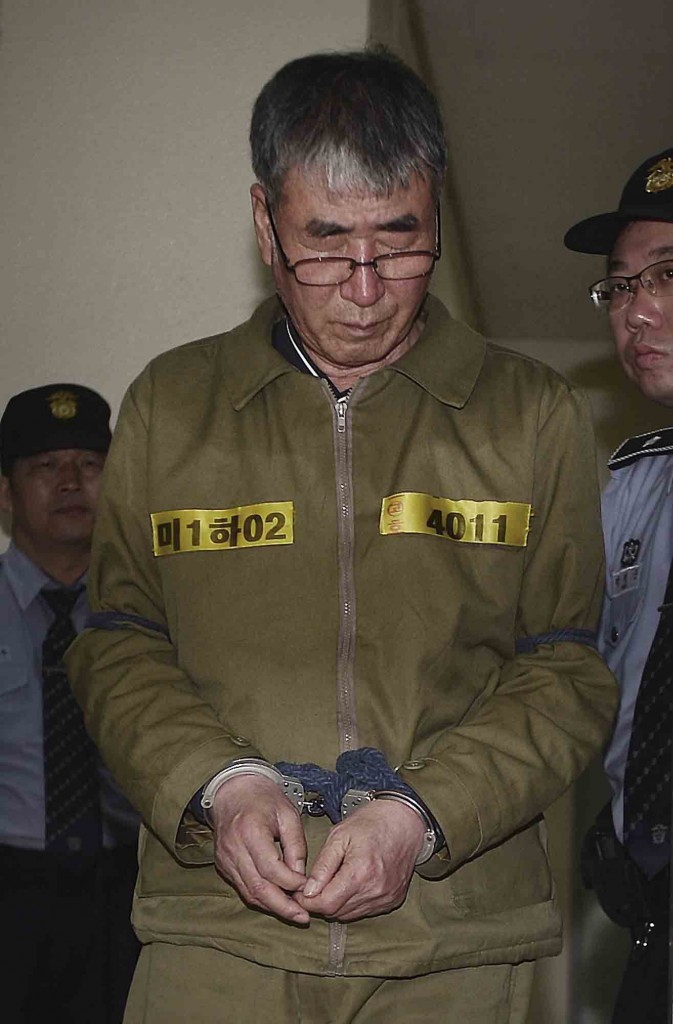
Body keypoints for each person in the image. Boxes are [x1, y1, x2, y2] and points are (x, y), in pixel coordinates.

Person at [67, 50, 617, 1024]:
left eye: (398, 242)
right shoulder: (170, 407)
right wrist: (216, 784)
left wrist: (423, 812)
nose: (363, 288)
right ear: (263, 223)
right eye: (323, 244)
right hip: (215, 932)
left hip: (455, 937)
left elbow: (566, 669)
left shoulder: (532, 415)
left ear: (437, 214)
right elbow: (117, 640)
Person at [565, 148, 673, 1024]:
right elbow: (552, 658)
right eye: (621, 288)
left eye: (668, 276)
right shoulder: (628, 488)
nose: (638, 311)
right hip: (649, 903)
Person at [0, 383, 141, 1024]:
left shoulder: (150, 616)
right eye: (44, 467)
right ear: (5, 495)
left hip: (129, 891)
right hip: (12, 894)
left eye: (89, 466)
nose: (69, 483)